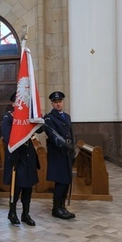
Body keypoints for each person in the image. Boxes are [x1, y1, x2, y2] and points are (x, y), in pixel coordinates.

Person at [1, 92, 42, 226]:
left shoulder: (28, 118)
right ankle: (12, 212)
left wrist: (38, 118)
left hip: (28, 155)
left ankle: (26, 214)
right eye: (17, 102)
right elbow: (8, 138)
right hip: (16, 156)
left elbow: (40, 130)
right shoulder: (8, 118)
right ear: (13, 104)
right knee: (17, 186)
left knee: (28, 186)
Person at [44, 91, 76, 220]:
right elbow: (52, 136)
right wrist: (64, 145)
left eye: (60, 101)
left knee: (67, 181)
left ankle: (62, 207)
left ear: (63, 102)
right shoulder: (49, 118)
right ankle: (56, 208)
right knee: (61, 182)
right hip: (58, 154)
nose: (58, 104)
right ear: (52, 103)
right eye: (55, 102)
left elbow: (70, 133)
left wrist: (72, 149)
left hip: (67, 154)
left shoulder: (66, 116)